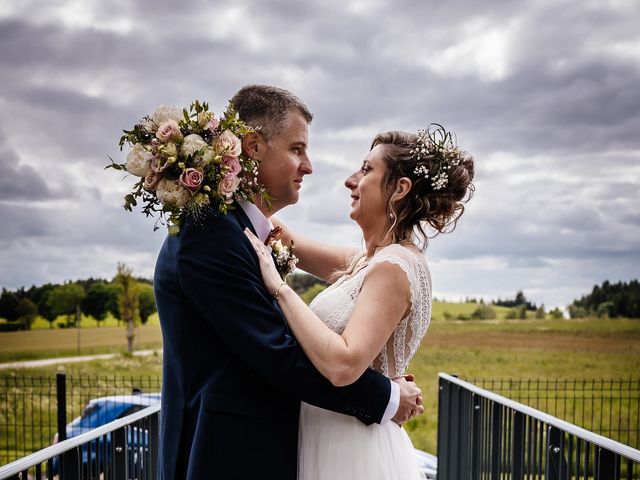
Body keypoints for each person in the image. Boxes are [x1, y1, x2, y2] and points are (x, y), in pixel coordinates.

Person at [153, 85, 424, 480]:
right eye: (297, 149)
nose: (309, 166)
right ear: (253, 147)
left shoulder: (241, 230)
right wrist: (385, 396)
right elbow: (277, 354)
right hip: (223, 457)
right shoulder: (211, 235)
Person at [245, 127, 475, 479]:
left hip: (353, 448)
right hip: (330, 434)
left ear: (399, 189)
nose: (350, 181)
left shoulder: (393, 266)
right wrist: (225, 175)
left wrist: (280, 289)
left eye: (367, 170)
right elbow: (285, 239)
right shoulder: (366, 261)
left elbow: (344, 364)